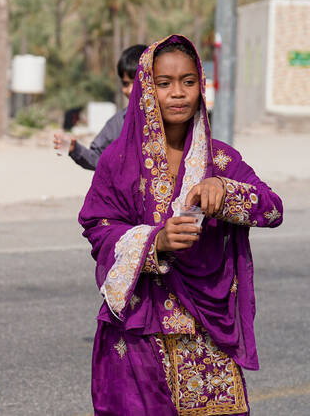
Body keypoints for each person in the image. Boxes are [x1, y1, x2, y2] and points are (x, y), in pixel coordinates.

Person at [79, 35, 284, 415]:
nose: (178, 93)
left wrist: (225, 191)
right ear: (145, 88)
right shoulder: (117, 160)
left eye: (188, 82)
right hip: (140, 326)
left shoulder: (221, 159)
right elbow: (97, 225)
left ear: (201, 86)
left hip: (206, 328)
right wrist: (154, 241)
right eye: (164, 83)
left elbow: (272, 209)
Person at [54, 44, 146, 170]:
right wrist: (75, 149)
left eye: (136, 82)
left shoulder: (172, 120)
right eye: (125, 84)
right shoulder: (118, 123)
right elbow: (98, 158)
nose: (130, 90)